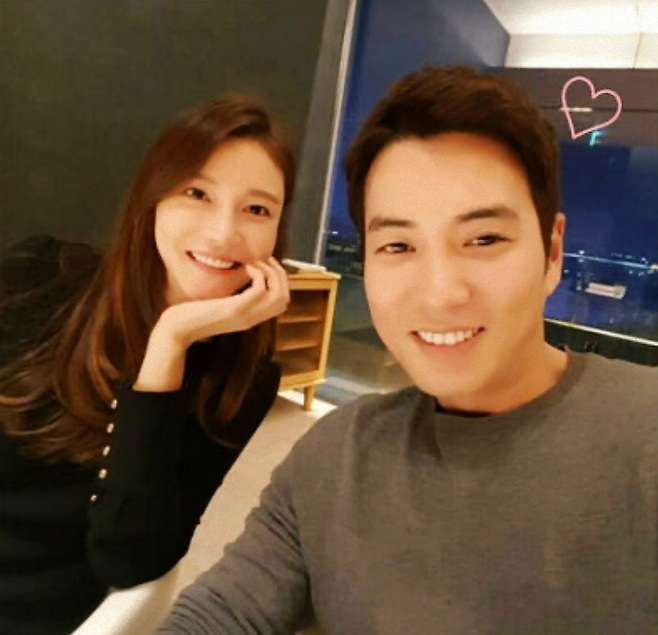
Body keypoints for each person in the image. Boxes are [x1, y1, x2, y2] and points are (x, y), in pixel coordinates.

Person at [154, 67, 658, 635]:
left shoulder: (644, 437)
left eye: (484, 239)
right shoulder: (335, 458)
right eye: (398, 245)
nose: (440, 293)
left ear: (552, 252)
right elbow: (222, 613)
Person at [0, 95, 295, 635]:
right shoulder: (40, 274)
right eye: (197, 193)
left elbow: (128, 557)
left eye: (257, 210)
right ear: (152, 198)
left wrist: (169, 344)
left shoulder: (242, 382)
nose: (223, 232)